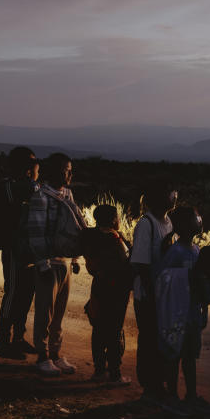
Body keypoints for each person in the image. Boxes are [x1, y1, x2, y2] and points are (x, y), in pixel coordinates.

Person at [26, 153, 84, 376]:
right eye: (65, 170)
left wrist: (76, 258)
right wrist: (43, 265)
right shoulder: (40, 197)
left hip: (65, 262)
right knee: (45, 312)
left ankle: (55, 354)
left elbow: (74, 227)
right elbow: (36, 233)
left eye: (70, 169)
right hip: (49, 263)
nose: (70, 174)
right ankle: (42, 355)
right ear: (53, 172)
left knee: (59, 313)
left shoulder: (67, 194)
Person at [155, 206, 210, 414]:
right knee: (175, 354)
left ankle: (191, 394)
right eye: (194, 219)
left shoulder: (196, 250)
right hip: (178, 314)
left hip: (192, 313)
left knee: (189, 356)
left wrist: (204, 310)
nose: (198, 221)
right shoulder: (176, 252)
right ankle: (172, 395)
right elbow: (164, 281)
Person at [0, 147, 39, 359]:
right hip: (14, 248)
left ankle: (17, 337)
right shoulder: (10, 188)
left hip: (27, 248)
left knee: (26, 293)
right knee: (13, 292)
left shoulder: (17, 187)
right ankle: (3, 341)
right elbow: (12, 214)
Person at [129, 181, 177, 400]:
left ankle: (158, 383)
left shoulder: (168, 222)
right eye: (170, 193)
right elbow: (140, 263)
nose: (175, 196)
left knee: (159, 339)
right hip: (149, 294)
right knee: (149, 339)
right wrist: (150, 292)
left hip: (163, 294)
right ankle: (150, 386)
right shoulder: (146, 224)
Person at [81, 203, 133, 386]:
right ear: (112, 220)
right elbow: (126, 262)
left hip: (99, 287)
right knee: (114, 330)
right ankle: (115, 373)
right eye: (117, 217)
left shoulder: (90, 236)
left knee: (99, 328)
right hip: (116, 290)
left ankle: (99, 370)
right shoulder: (115, 239)